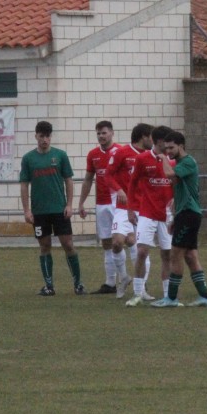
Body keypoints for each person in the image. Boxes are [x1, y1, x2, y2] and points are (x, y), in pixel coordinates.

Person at [20, 120, 84, 295]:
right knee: (44, 246)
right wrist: (27, 210)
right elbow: (24, 185)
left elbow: (68, 180)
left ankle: (78, 284)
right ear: (36, 136)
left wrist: (69, 204)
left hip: (59, 209)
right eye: (41, 136)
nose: (45, 140)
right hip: (40, 211)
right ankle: (49, 286)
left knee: (68, 244)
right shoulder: (28, 159)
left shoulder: (60, 156)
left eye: (47, 136)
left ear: (51, 136)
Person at [154, 131, 207, 307]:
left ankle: (171, 298)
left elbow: (169, 174)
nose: (168, 151)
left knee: (175, 255)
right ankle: (205, 297)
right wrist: (175, 217)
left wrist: (162, 158)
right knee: (190, 256)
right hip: (186, 214)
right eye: (166, 148)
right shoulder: (182, 163)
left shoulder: (187, 162)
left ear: (181, 146)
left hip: (189, 215)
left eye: (171, 148)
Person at [125, 125, 175, 307]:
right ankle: (138, 293)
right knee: (142, 251)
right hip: (146, 213)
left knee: (167, 254)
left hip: (167, 215)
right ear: (157, 141)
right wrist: (130, 209)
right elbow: (132, 185)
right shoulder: (142, 159)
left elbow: (176, 186)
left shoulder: (172, 160)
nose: (169, 145)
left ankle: (168, 295)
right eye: (166, 142)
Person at [77, 120, 128, 295]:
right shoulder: (93, 155)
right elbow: (88, 179)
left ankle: (131, 279)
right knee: (106, 242)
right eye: (98, 133)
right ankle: (110, 283)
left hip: (118, 204)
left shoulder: (121, 152)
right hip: (101, 203)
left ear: (112, 133)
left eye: (104, 133)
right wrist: (81, 202)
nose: (101, 136)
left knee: (123, 240)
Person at [107, 123, 154, 299]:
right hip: (123, 207)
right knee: (117, 242)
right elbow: (108, 175)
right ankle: (125, 277)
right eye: (151, 137)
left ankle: (141, 289)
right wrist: (119, 190)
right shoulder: (122, 153)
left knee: (141, 246)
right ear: (143, 137)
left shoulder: (152, 156)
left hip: (145, 208)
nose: (153, 141)